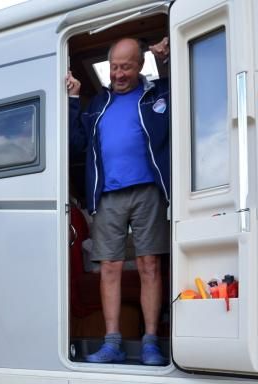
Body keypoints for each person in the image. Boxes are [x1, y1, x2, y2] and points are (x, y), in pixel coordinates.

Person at [67, 36, 171, 365]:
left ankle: (151, 341)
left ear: (140, 66)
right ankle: (112, 343)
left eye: (126, 66)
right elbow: (76, 143)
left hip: (149, 190)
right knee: (109, 267)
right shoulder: (99, 102)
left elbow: (179, 114)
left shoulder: (155, 94)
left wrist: (167, 66)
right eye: (114, 67)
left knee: (149, 265)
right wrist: (72, 98)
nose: (119, 73)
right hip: (108, 194)